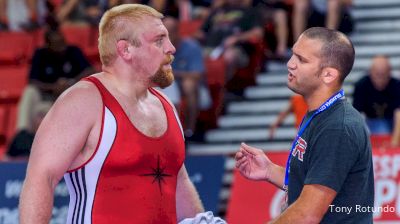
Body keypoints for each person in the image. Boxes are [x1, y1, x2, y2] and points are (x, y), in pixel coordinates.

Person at [19, 4, 204, 223]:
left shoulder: (165, 106)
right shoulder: (84, 100)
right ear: (125, 50)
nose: (171, 48)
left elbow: (178, 180)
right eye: (159, 40)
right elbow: (41, 178)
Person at [235, 27, 374, 223]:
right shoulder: (321, 114)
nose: (290, 64)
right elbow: (317, 183)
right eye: (293, 54)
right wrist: (270, 171)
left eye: (301, 60)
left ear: (328, 75)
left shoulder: (337, 127)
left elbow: (306, 215)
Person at [16, 28, 93, 134]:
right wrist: (54, 87)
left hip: (73, 100)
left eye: (63, 42)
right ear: (48, 45)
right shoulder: (40, 54)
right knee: (30, 91)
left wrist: (71, 83)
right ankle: (22, 134)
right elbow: (32, 81)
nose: (62, 47)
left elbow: (90, 70)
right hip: (48, 101)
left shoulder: (74, 51)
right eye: (57, 44)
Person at [162, 16, 211, 140]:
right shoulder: (158, 48)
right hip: (168, 85)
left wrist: (174, 73)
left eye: (169, 33)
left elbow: (197, 74)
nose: (166, 38)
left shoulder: (191, 46)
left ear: (177, 32)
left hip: (195, 89)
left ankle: (190, 130)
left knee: (188, 84)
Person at [352, 55, 400, 134]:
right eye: (377, 74)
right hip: (370, 120)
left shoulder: (396, 85)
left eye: (384, 75)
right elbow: (356, 114)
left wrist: (394, 143)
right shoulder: (361, 85)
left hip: (393, 119)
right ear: (370, 72)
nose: (380, 79)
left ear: (389, 72)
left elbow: (398, 114)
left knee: (383, 128)